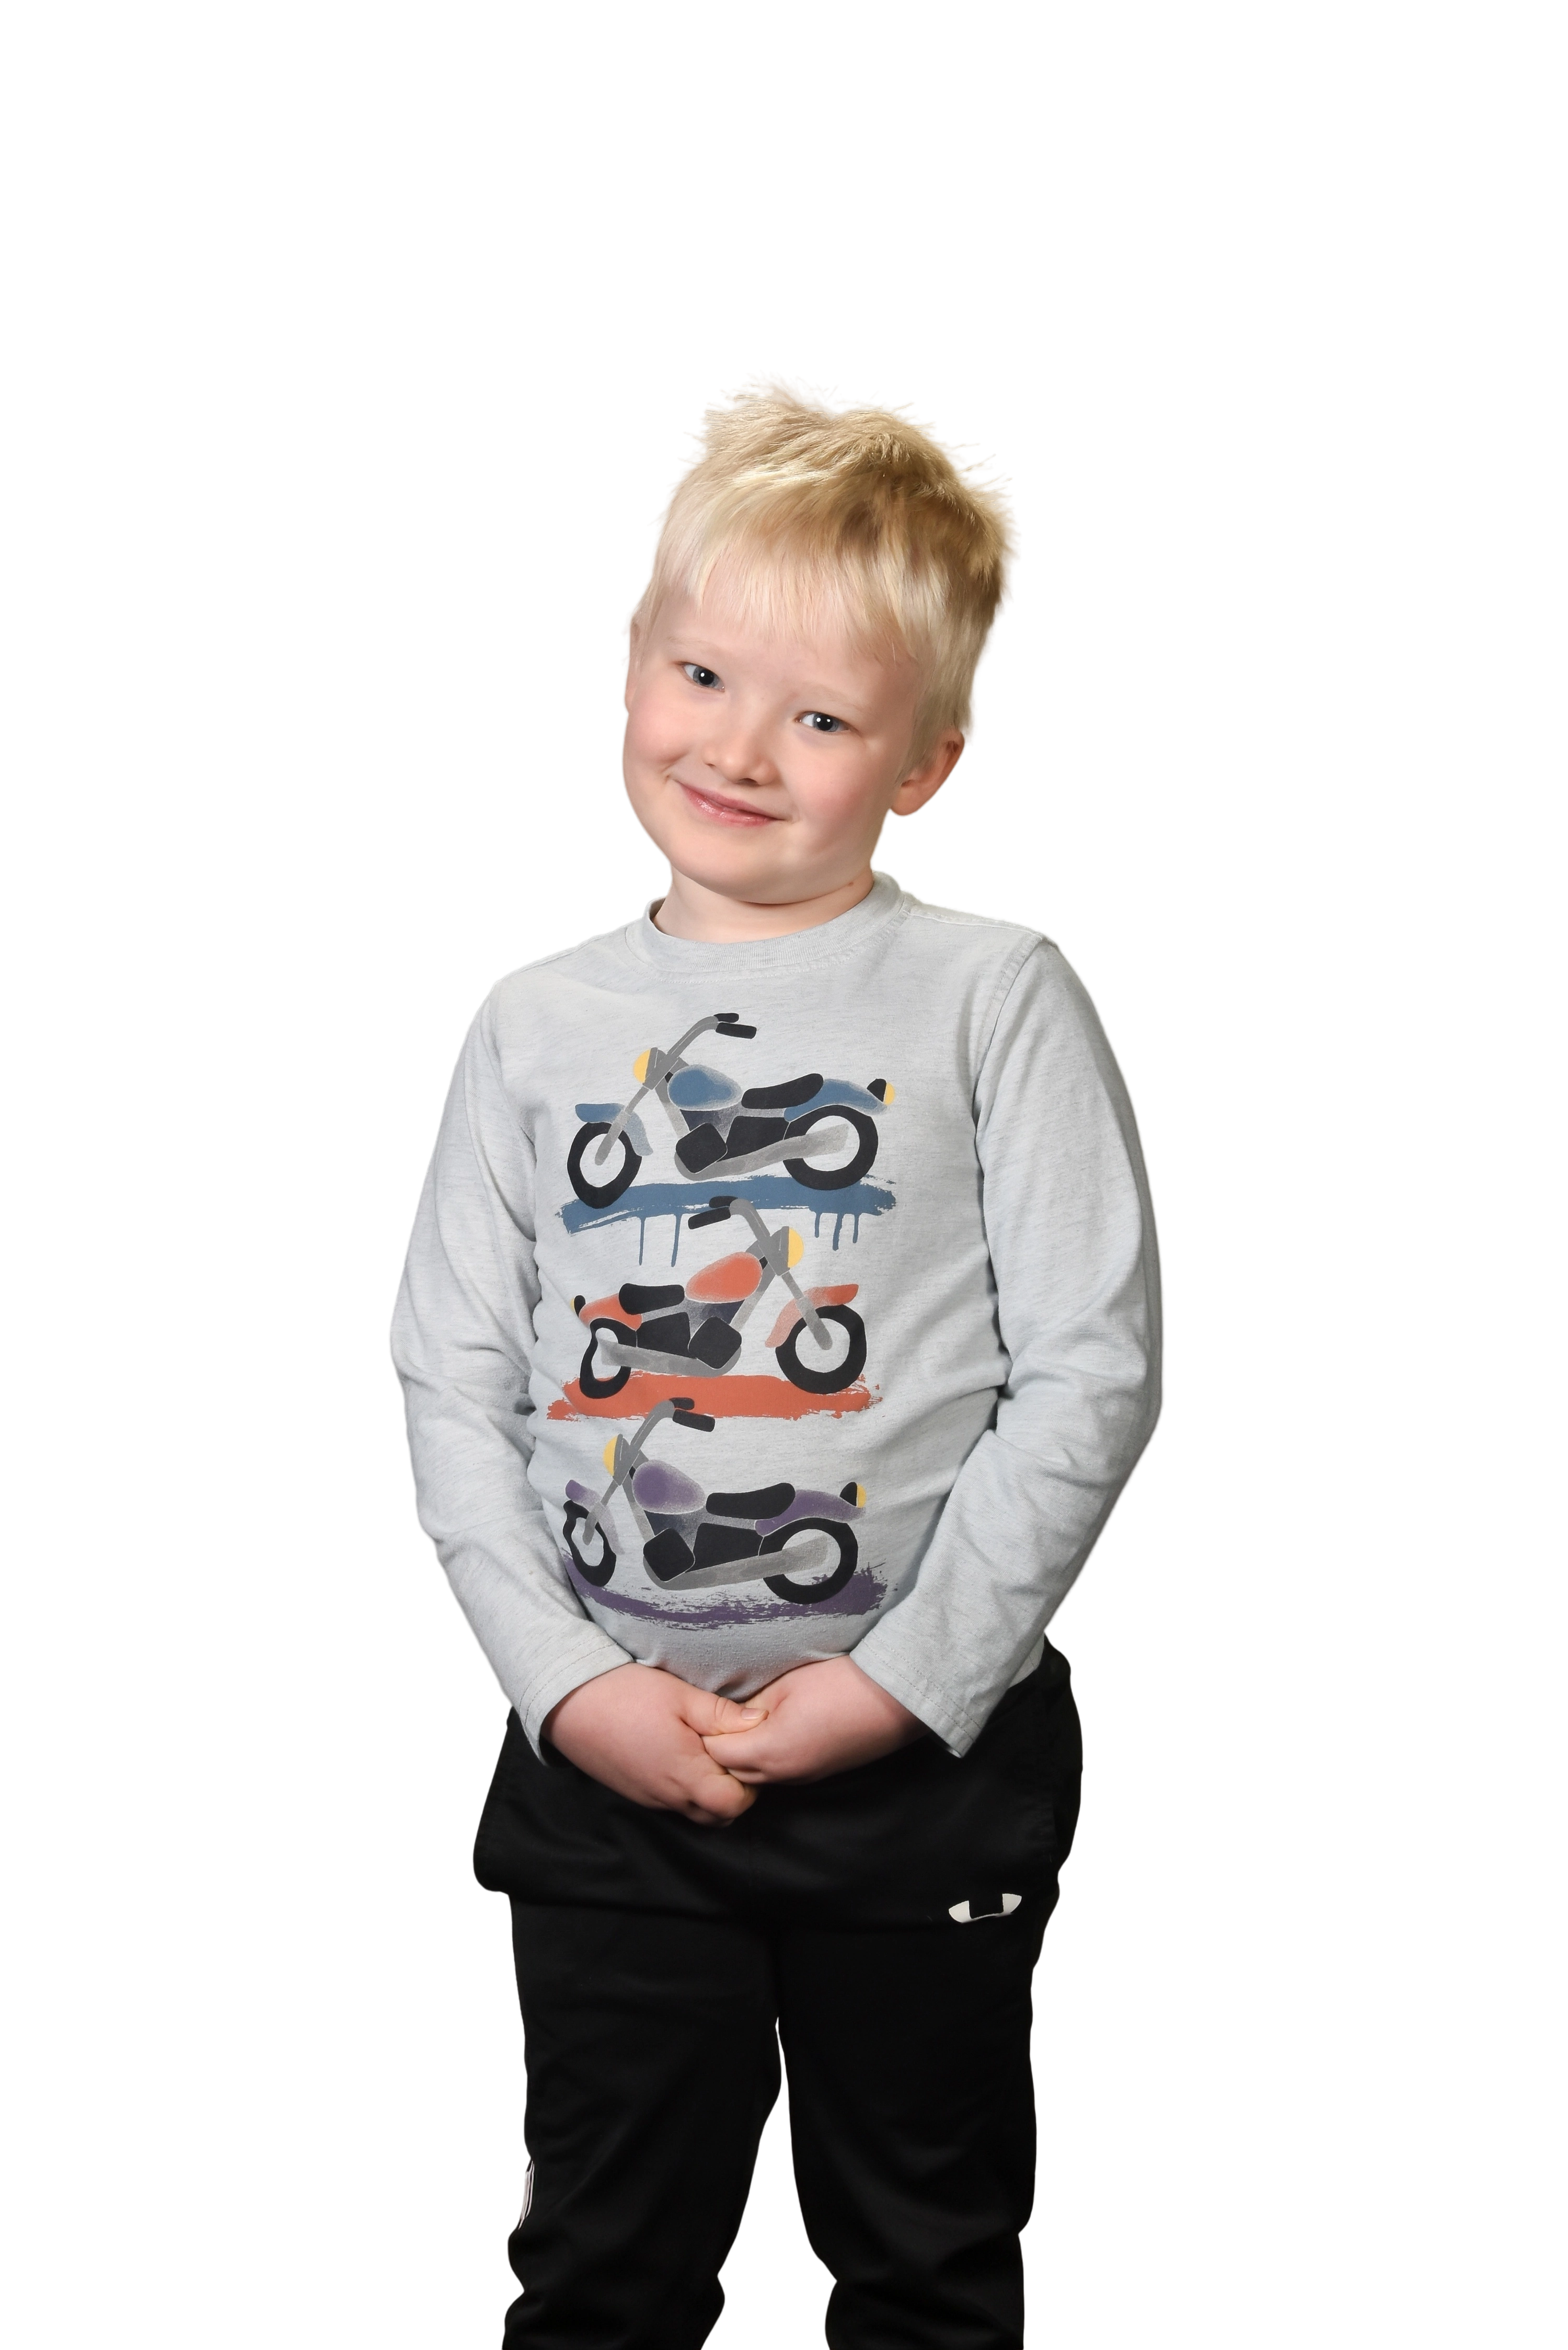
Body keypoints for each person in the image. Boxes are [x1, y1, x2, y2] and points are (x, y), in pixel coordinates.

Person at [387, 371, 1166, 2350]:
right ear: (631, 660)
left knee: (925, 2266)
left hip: (926, 1780)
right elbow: (452, 1378)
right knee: (601, 2273)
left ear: (928, 763)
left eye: (821, 716)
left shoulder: (995, 995)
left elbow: (1091, 1369)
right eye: (706, 675)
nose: (741, 747)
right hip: (606, 1783)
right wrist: (570, 1689)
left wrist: (906, 1684)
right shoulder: (532, 1023)